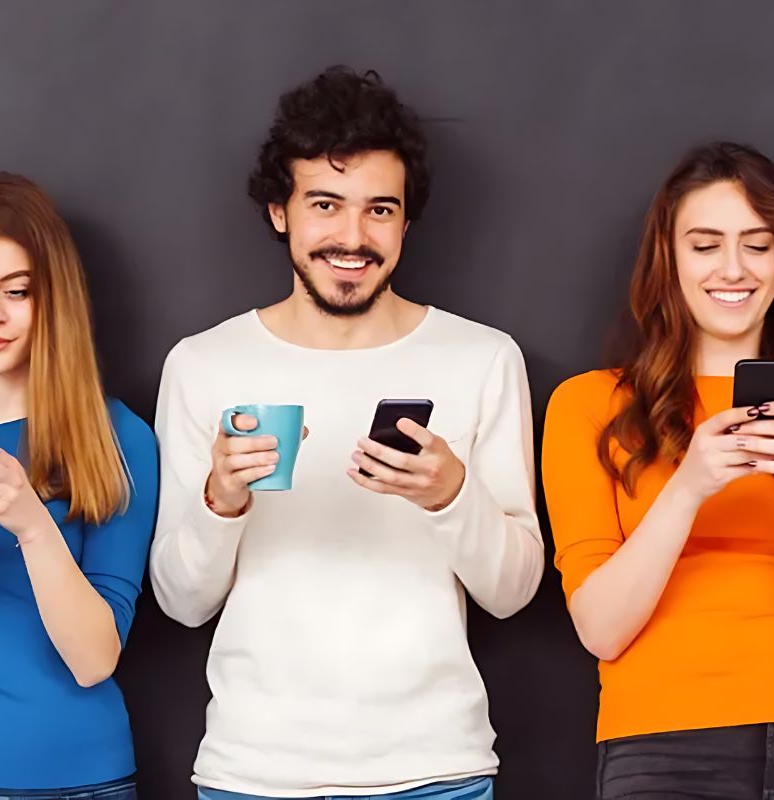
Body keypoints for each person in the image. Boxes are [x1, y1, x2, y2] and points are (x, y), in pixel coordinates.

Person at [149, 67, 542, 800]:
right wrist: (220, 501)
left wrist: (451, 495)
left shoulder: (482, 359)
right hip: (254, 772)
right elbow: (181, 600)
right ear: (280, 210)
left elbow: (513, 592)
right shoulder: (205, 364)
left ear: (406, 221)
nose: (353, 238)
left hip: (435, 769)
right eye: (325, 205)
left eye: (380, 210)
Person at [542, 142, 774, 799]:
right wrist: (690, 485)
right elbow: (600, 629)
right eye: (705, 245)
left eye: (758, 244)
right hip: (662, 747)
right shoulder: (588, 406)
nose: (734, 269)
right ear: (668, 259)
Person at [0, 173, 158, 799]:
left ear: (53, 297)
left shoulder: (117, 436)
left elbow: (94, 660)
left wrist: (33, 524)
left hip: (79, 781)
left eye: (18, 291)